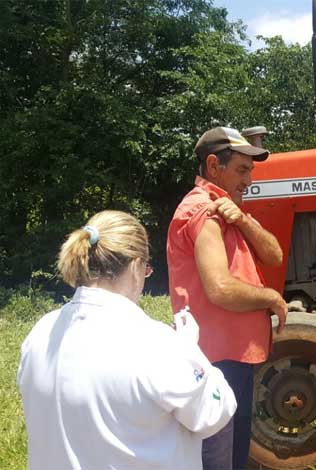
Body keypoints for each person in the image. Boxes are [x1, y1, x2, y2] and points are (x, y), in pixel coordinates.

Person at [17, 210, 236, 470]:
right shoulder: (156, 344)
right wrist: (190, 348)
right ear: (135, 267)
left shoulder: (41, 332)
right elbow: (216, 412)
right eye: (146, 269)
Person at [167, 126, 288, 470]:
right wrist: (270, 298)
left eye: (250, 171)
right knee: (220, 458)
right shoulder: (203, 212)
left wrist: (246, 221)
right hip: (216, 361)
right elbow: (219, 288)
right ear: (213, 165)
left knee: (235, 451)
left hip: (232, 357)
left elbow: (275, 255)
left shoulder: (227, 210)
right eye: (242, 170)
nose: (248, 180)